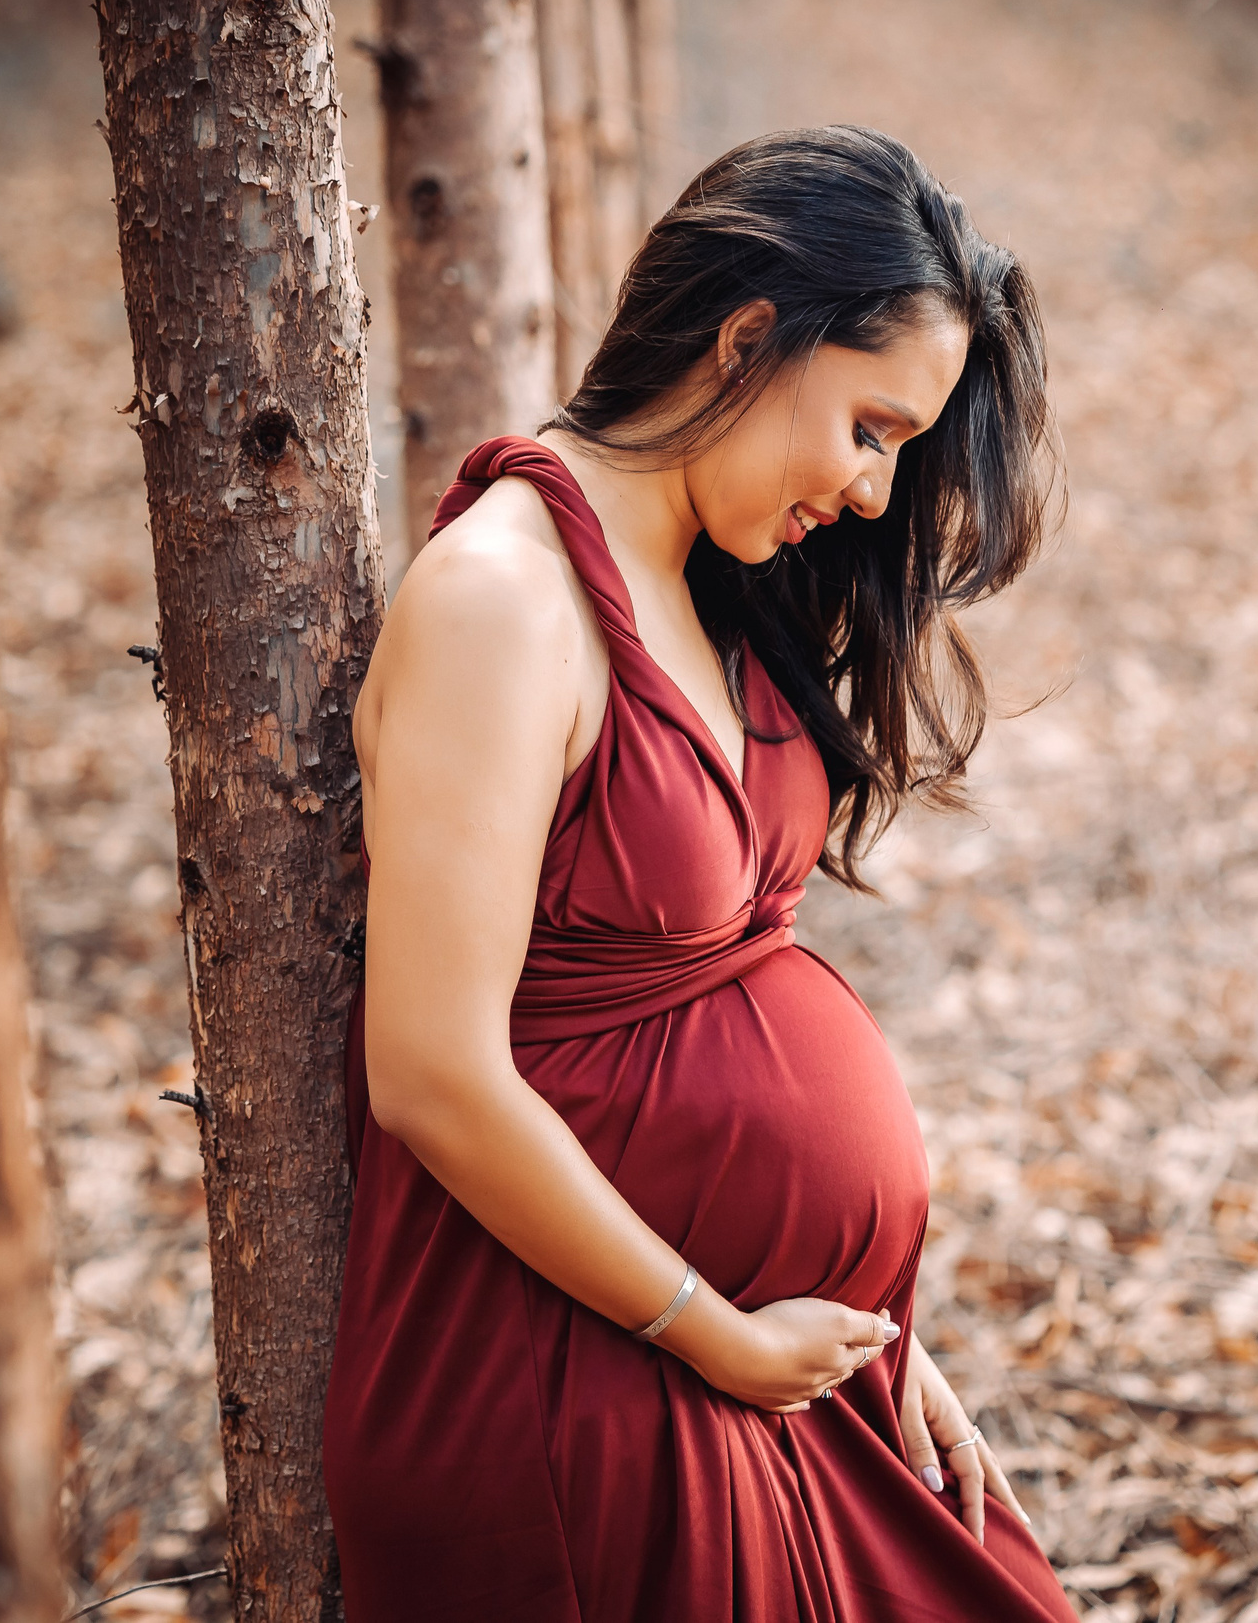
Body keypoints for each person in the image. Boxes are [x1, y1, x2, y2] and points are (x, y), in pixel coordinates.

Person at [320, 125, 1074, 1620]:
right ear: (746, 339)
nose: (876, 494)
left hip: (737, 1357)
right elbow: (429, 1073)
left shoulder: (711, 579)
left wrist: (870, 1335)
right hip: (562, 1385)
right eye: (871, 429)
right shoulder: (501, 603)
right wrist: (717, 1334)